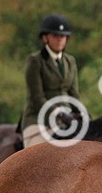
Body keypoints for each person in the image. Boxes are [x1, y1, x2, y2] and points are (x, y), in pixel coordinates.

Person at [21, 14, 79, 147]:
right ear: (45, 37)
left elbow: (74, 93)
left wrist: (83, 113)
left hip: (67, 119)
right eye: (55, 36)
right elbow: (37, 97)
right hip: (39, 119)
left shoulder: (70, 61)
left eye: (63, 36)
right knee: (37, 157)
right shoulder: (35, 61)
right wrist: (58, 113)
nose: (60, 40)